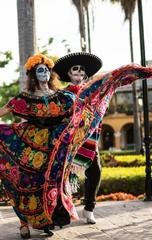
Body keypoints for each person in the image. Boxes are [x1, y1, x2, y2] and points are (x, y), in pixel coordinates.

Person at [0, 53, 152, 238]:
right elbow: (3, 110)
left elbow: (80, 110)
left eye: (47, 70)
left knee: (48, 184)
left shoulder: (62, 96)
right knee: (23, 183)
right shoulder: (24, 97)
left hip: (53, 147)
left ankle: (48, 220)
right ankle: (23, 223)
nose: (44, 73)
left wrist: (113, 80)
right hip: (29, 145)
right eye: (40, 70)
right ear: (33, 74)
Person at [54, 52, 103, 224]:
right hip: (68, 140)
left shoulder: (93, 92)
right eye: (75, 68)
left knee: (95, 170)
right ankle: (65, 210)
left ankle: (89, 208)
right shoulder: (62, 94)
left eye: (82, 69)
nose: (79, 71)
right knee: (63, 176)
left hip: (88, 140)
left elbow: (98, 112)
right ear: (68, 73)